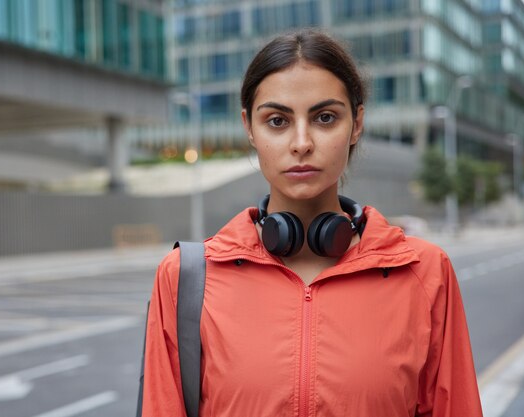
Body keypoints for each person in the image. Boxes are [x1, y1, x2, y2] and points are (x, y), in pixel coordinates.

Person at [141, 29, 483, 416]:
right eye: (276, 120)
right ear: (248, 128)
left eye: (324, 117)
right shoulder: (186, 278)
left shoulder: (425, 273)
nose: (301, 142)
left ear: (356, 124)